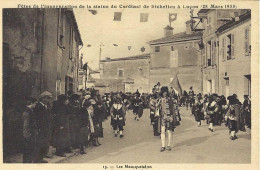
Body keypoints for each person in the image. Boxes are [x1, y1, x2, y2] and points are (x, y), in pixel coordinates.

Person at [34, 91, 53, 163]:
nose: (49, 100)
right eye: (48, 98)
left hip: (46, 128)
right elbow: (38, 119)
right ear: (43, 98)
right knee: (40, 144)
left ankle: (41, 158)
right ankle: (37, 159)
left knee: (44, 144)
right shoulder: (38, 106)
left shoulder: (46, 106)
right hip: (41, 129)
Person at [158, 86, 176, 152]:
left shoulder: (170, 99)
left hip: (169, 117)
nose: (164, 93)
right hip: (162, 117)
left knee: (169, 131)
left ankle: (168, 145)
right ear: (161, 93)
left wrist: (171, 116)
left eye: (165, 92)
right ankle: (163, 146)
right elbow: (157, 108)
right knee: (162, 131)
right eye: (163, 92)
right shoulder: (159, 99)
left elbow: (172, 109)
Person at [22, 96, 37, 163]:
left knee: (29, 150)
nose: (35, 105)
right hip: (28, 135)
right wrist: (27, 135)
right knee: (28, 150)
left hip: (30, 134)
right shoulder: (27, 112)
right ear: (31, 103)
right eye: (35, 103)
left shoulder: (30, 111)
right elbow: (26, 124)